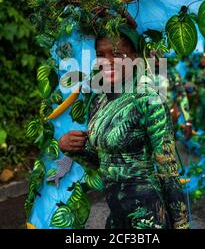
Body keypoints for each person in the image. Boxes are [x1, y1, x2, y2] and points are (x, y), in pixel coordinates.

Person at [58, 33, 189, 229]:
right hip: (116, 214)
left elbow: (168, 171)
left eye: (117, 54)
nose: (107, 61)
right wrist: (71, 148)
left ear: (134, 58)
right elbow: (103, 163)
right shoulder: (98, 101)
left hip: (147, 215)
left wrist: (181, 224)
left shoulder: (147, 99)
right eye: (101, 54)